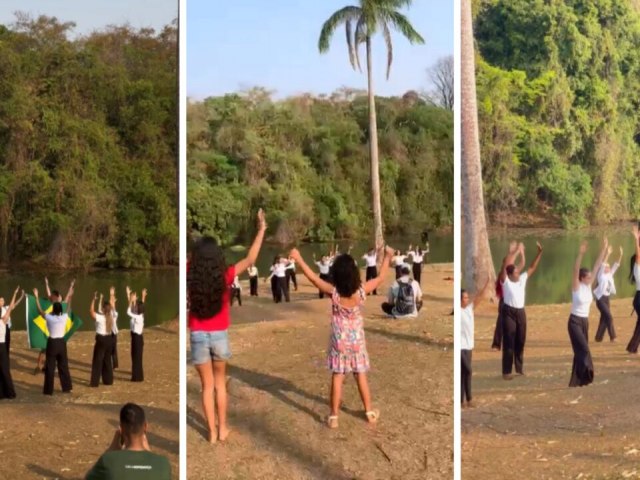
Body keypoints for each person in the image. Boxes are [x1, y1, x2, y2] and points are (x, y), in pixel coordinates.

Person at [290, 245, 395, 428]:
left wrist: (299, 259)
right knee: (360, 374)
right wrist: (387, 257)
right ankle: (369, 412)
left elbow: (313, 278)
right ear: (354, 273)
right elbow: (380, 278)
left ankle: (333, 417)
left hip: (339, 340)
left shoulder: (334, 293)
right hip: (356, 341)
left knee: (338, 375)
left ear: (336, 274)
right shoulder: (361, 291)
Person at [188, 209, 267, 443]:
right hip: (219, 335)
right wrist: (261, 229)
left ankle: (211, 432)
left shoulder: (189, 272)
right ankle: (222, 429)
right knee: (220, 385)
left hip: (198, 334)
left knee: (206, 387)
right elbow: (251, 258)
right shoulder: (226, 274)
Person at [85, 403, 171, 480]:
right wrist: (149, 452)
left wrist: (111, 449)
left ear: (121, 429)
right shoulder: (163, 464)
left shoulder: (108, 461)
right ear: (145, 427)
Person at [499, 241, 543, 380]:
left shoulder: (522, 279)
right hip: (508, 313)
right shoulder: (505, 282)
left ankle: (519, 369)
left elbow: (532, 267)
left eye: (518, 271)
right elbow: (504, 267)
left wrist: (539, 253)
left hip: (520, 313)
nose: (519, 273)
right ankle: (506, 372)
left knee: (520, 340)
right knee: (509, 342)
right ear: (510, 274)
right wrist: (513, 252)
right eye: (516, 272)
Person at [569, 238, 608, 387]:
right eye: (588, 277)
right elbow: (575, 269)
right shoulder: (576, 287)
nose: (591, 278)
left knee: (579, 351)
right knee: (584, 348)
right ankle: (589, 372)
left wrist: (603, 249)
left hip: (584, 321)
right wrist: (580, 254)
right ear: (582, 278)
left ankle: (578, 380)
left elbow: (597, 265)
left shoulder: (588, 285)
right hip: (574, 322)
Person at [34, 286, 73, 395]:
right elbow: (68, 308)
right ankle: (67, 388)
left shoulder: (49, 317)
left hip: (52, 343)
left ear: (53, 310)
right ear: (60, 310)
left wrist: (37, 297)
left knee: (50, 367)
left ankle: (48, 390)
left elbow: (39, 310)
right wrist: (70, 296)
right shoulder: (64, 317)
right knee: (63, 365)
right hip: (61, 343)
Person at [461, 278, 491, 409]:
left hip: (469, 346)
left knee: (464, 373)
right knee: (468, 370)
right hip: (460, 347)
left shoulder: (469, 310)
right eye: (464, 298)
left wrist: (486, 284)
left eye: (467, 297)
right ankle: (466, 399)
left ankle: (466, 400)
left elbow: (480, 297)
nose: (467, 300)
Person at [491, 249, 524, 351]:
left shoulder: (513, 272)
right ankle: (496, 344)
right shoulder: (504, 274)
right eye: (510, 262)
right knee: (501, 322)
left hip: (512, 302)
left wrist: (521, 252)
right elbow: (506, 266)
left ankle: (510, 343)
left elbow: (522, 264)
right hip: (504, 301)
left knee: (510, 325)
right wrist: (513, 252)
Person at [89, 289, 118, 387]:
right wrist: (112, 295)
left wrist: (93, 300)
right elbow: (113, 308)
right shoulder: (113, 316)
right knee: (107, 360)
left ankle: (94, 382)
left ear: (103, 309)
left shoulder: (101, 318)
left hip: (101, 340)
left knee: (97, 360)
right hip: (109, 339)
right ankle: (108, 380)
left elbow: (91, 312)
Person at [594, 245, 622, 343]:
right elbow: (603, 264)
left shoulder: (610, 274)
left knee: (604, 317)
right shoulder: (600, 275)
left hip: (606, 298)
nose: (608, 268)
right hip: (600, 299)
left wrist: (620, 255)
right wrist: (608, 254)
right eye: (607, 267)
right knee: (609, 317)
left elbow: (617, 264)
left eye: (609, 267)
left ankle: (598, 337)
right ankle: (613, 337)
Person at [0, 287, 23, 400]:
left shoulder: (4, 317)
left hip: (3, 344)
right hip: (2, 346)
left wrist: (16, 294)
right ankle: (9, 392)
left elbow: (11, 307)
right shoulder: (3, 321)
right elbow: (9, 311)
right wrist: (14, 293)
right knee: (4, 369)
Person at [0, 287, 25, 365]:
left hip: (6, 329)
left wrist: (21, 296)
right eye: (0, 300)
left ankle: (5, 360)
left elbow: (14, 304)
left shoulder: (6, 308)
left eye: (3, 300)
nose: (2, 301)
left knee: (6, 345)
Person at [127, 287, 147, 382]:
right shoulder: (140, 315)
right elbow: (140, 305)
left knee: (137, 358)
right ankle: (137, 376)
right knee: (136, 357)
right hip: (136, 338)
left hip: (137, 338)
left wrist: (131, 300)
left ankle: (137, 377)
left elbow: (128, 311)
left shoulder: (139, 317)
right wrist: (142, 296)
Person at [627, 225, 640, 353]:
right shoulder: (637, 266)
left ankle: (633, 347)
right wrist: (636, 240)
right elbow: (638, 254)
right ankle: (632, 347)